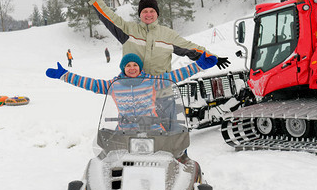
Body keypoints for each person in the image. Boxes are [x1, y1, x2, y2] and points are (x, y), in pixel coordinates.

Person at [79, 0, 231, 76]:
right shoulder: (128, 30)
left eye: (152, 11)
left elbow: (191, 48)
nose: (148, 14)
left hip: (162, 93)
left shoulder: (167, 35)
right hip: (135, 92)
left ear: (157, 13)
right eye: (145, 11)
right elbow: (107, 15)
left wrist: (213, 57)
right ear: (140, 14)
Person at [46, 52, 217, 131]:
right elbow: (89, 83)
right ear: (123, 68)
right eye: (128, 65)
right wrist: (65, 76)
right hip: (124, 131)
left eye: (135, 65)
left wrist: (199, 65)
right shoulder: (114, 84)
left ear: (139, 67)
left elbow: (176, 75)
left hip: (153, 129)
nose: (132, 68)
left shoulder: (150, 81)